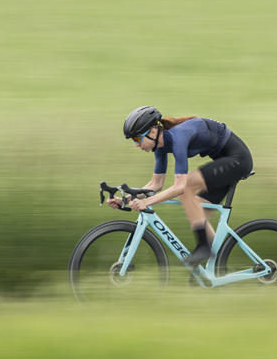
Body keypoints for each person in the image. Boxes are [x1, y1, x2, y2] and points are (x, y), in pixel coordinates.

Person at [108, 106, 253, 266]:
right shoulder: (160, 147)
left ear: (153, 132)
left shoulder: (178, 137)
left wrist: (146, 202)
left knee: (187, 187)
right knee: (198, 211)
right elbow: (156, 184)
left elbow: (180, 187)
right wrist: (125, 200)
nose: (136, 145)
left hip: (238, 160)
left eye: (137, 139)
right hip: (224, 163)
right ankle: (215, 270)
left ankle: (203, 248)